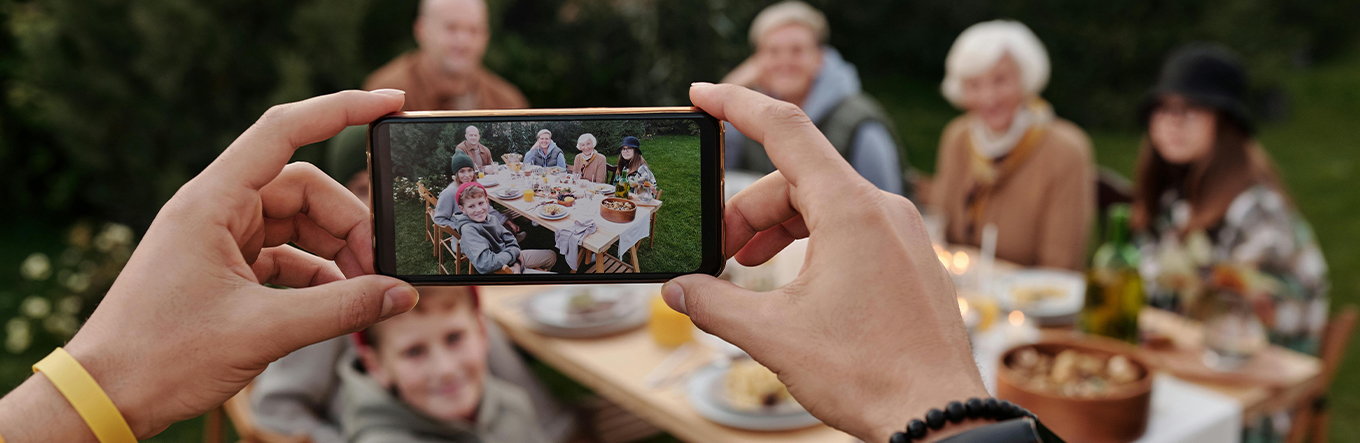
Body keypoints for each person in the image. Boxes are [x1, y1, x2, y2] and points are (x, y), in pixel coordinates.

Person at [0, 87, 1052, 443]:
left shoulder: (574, 161)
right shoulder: (469, 181)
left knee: (569, 226)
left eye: (599, 149)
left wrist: (95, 391)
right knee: (534, 233)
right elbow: (494, 200)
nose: (586, 150)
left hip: (548, 226)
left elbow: (561, 179)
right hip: (505, 233)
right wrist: (939, 405)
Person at [1133, 44, 1329, 354]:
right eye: (1163, 108)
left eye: (1191, 110)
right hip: (1191, 351)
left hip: (1258, 371)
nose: (1173, 121)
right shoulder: (1175, 195)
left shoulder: (1255, 209)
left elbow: (1286, 320)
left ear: (1226, 123)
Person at [927, 20, 1095, 271]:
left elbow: (1060, 266)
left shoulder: (1066, 150)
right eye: (974, 85)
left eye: (1001, 80)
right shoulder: (957, 137)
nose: (988, 97)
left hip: (1031, 302)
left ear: (1024, 79)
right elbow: (940, 230)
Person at [720, 1, 910, 197]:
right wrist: (732, 87)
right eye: (773, 51)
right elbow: (712, 171)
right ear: (756, 61)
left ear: (820, 57)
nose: (785, 61)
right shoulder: (748, 117)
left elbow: (888, 207)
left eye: (797, 50)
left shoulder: (859, 124)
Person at [343, 286, 551, 443]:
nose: (445, 369)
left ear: (482, 331)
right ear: (376, 366)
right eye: (414, 351)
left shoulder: (513, 408)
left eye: (454, 338)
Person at [364, 0, 527, 111]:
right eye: (451, 28)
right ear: (421, 30)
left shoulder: (507, 102)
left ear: (486, 37)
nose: (463, 42)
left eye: (474, 30)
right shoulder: (386, 94)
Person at [453, 183, 557, 274]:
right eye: (471, 206)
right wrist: (514, 255)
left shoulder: (491, 218)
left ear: (486, 201)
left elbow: (510, 238)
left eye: (481, 203)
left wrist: (516, 260)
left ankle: (537, 271)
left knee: (551, 256)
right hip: (503, 270)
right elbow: (486, 264)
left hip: (510, 258)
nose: (478, 210)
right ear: (463, 209)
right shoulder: (469, 230)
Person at [435, 151, 524, 242]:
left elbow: (487, 208)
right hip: (470, 232)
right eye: (462, 171)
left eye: (470, 170)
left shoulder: (473, 187)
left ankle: (512, 239)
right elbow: (439, 218)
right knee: (503, 230)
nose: (467, 175)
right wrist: (460, 228)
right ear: (456, 174)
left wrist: (505, 220)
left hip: (481, 220)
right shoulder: (449, 192)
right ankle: (508, 245)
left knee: (507, 222)